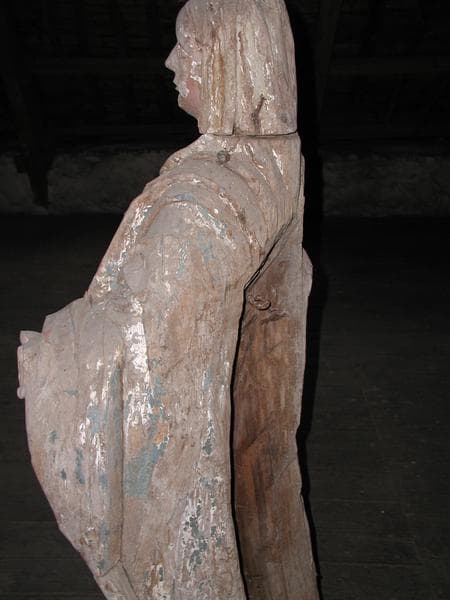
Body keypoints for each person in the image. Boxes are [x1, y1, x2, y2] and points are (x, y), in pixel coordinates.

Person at [17, 0, 319, 598]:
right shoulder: (274, 159)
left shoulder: (203, 205)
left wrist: (55, 350)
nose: (172, 61)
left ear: (232, 62)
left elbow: (149, 355)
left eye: (190, 46)